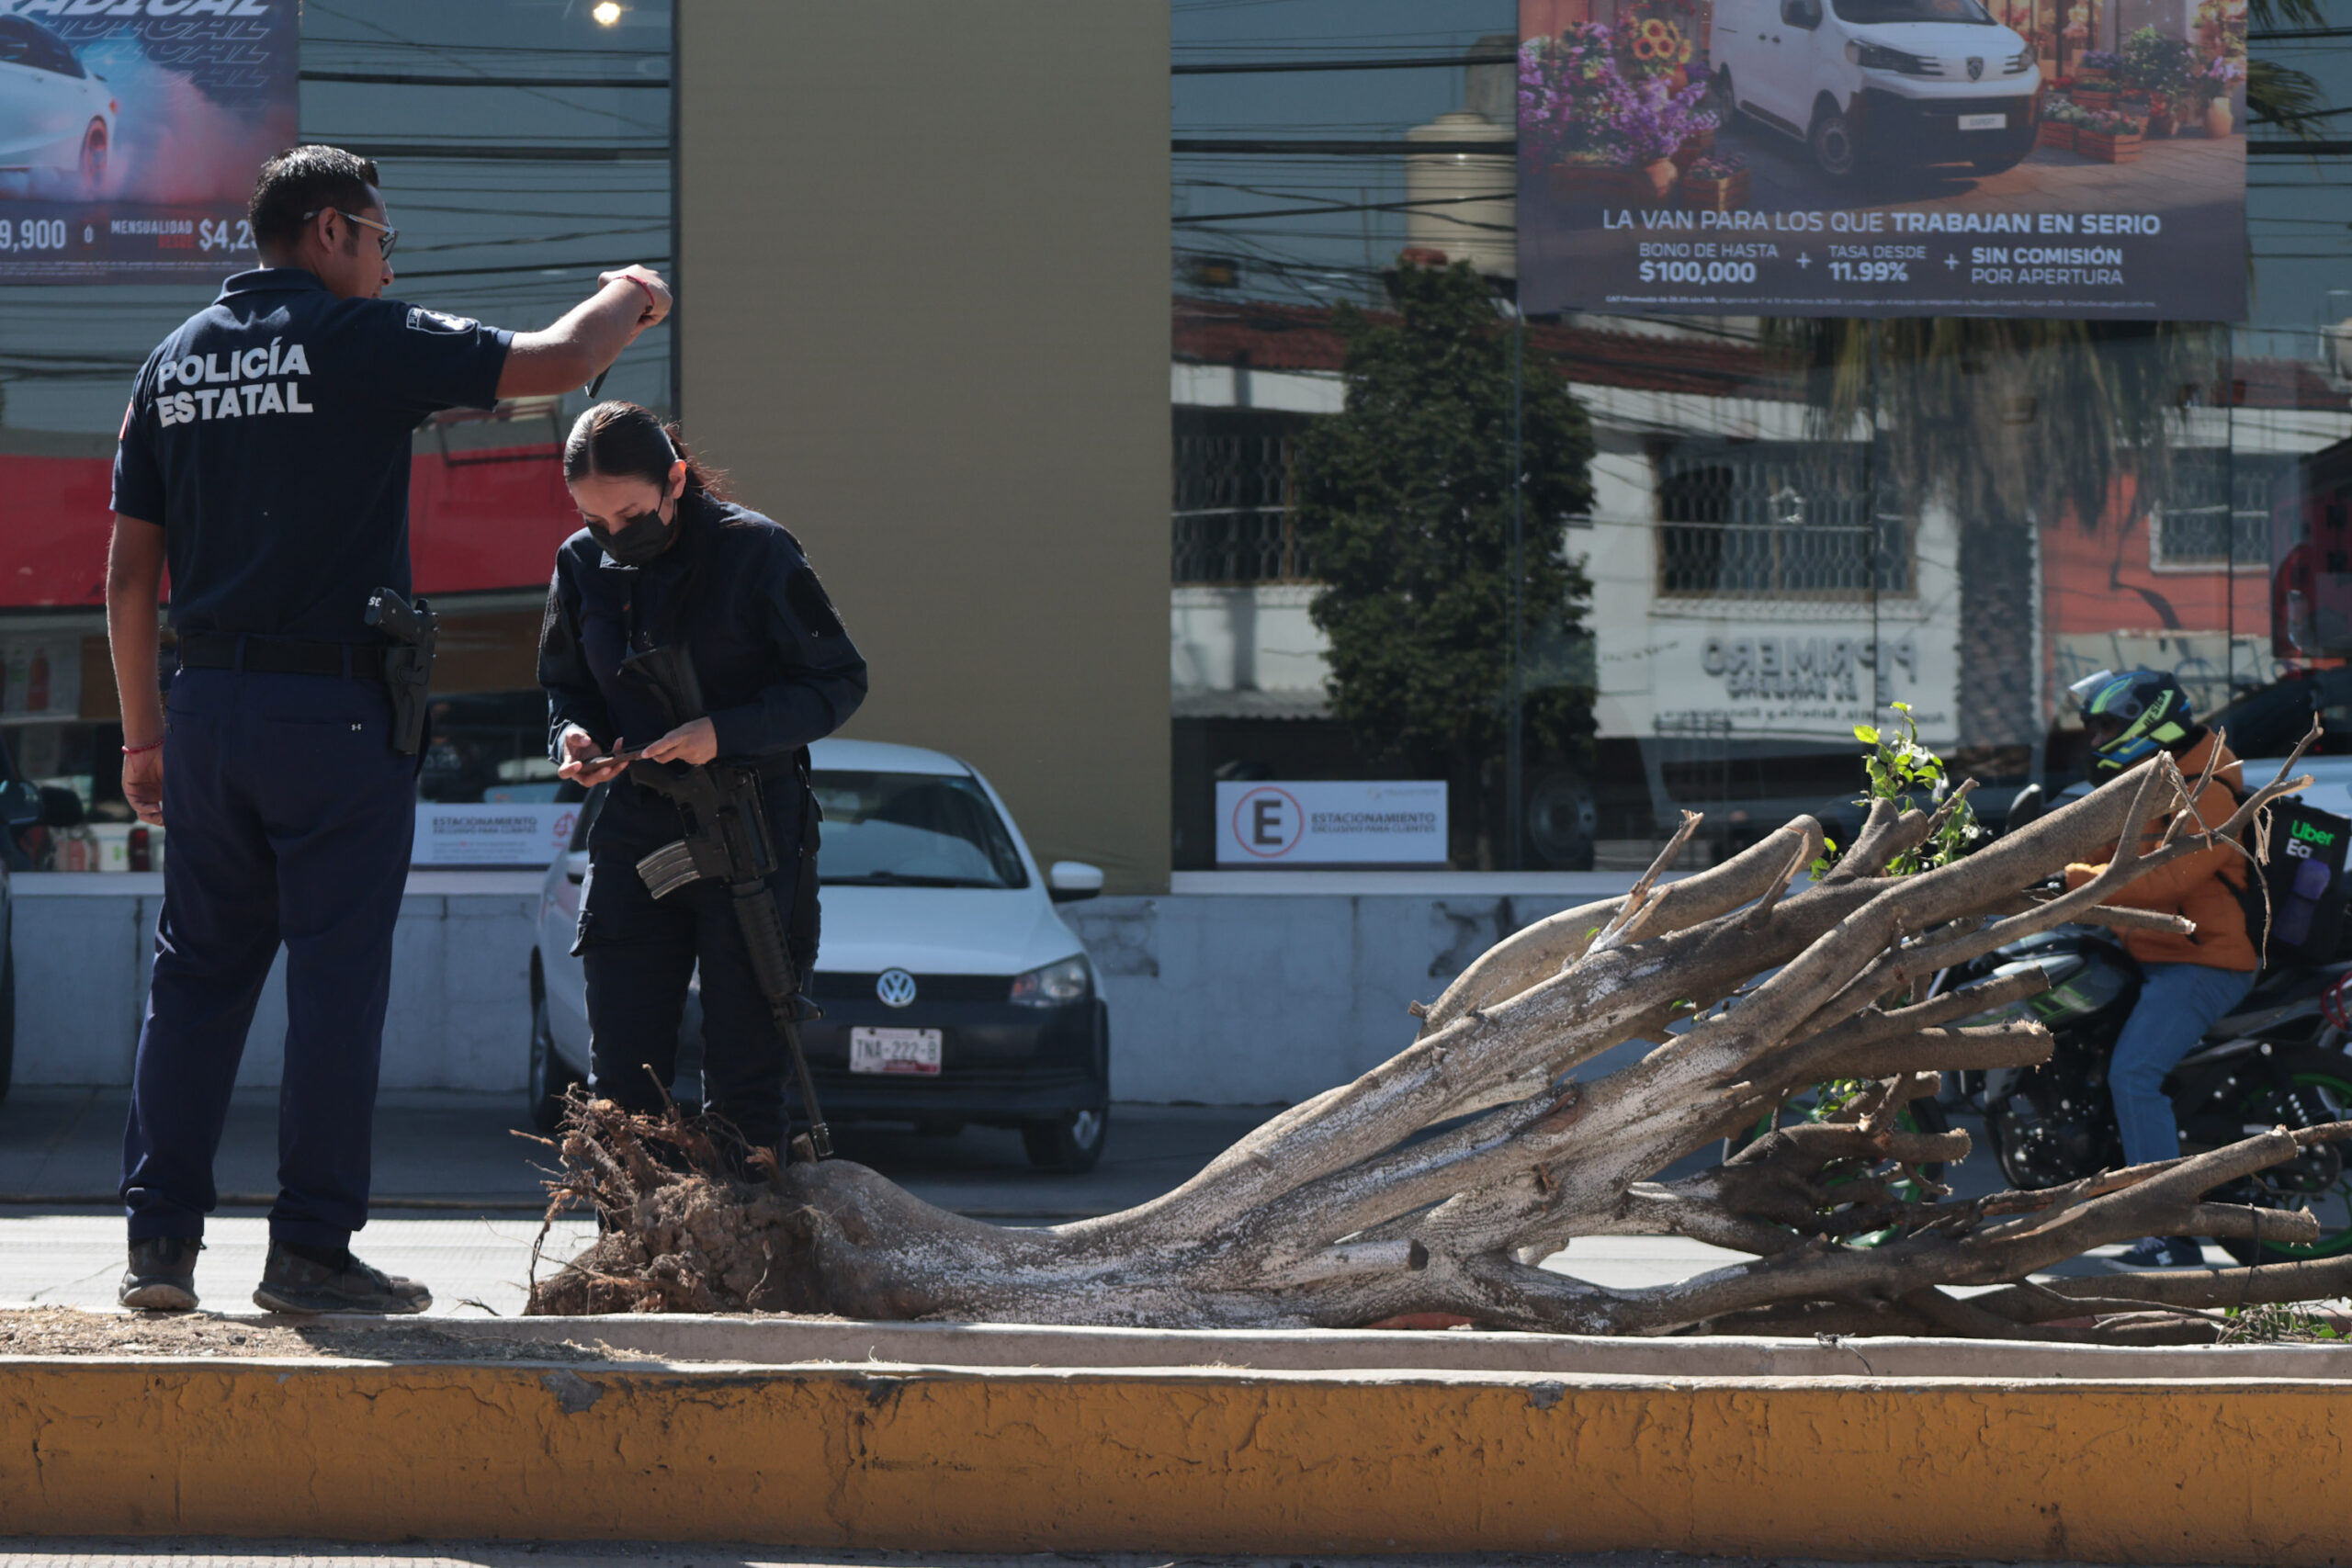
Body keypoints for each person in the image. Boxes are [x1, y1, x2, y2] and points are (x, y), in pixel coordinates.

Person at [108, 144, 673, 1314]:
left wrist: (142, 738)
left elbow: (125, 580)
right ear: (327, 231)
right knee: (333, 984)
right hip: (331, 716)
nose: (382, 258)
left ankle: (158, 1251)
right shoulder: (356, 341)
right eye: (379, 238)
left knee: (197, 978)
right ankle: (309, 1254)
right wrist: (634, 291)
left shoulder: (170, 365)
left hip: (206, 709)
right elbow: (556, 363)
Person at [538, 401, 866, 1159]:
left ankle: (744, 1264)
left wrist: (722, 731)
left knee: (747, 1084)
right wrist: (573, 735)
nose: (614, 536)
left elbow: (839, 683)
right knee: (619, 1089)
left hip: (751, 826)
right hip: (636, 824)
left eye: (630, 513)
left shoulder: (756, 551)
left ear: (675, 479)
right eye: (594, 519)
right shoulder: (580, 562)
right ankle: (627, 1268)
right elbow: (563, 685)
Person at [2063, 668, 2259, 1270]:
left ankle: (2172, 1237)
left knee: (2135, 1073)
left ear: (2147, 722)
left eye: (2107, 725)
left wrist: (2070, 881)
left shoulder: (2210, 787)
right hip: (2153, 952)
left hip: (2204, 961)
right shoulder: (2153, 776)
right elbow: (2102, 851)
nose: (2097, 738)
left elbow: (2163, 876)